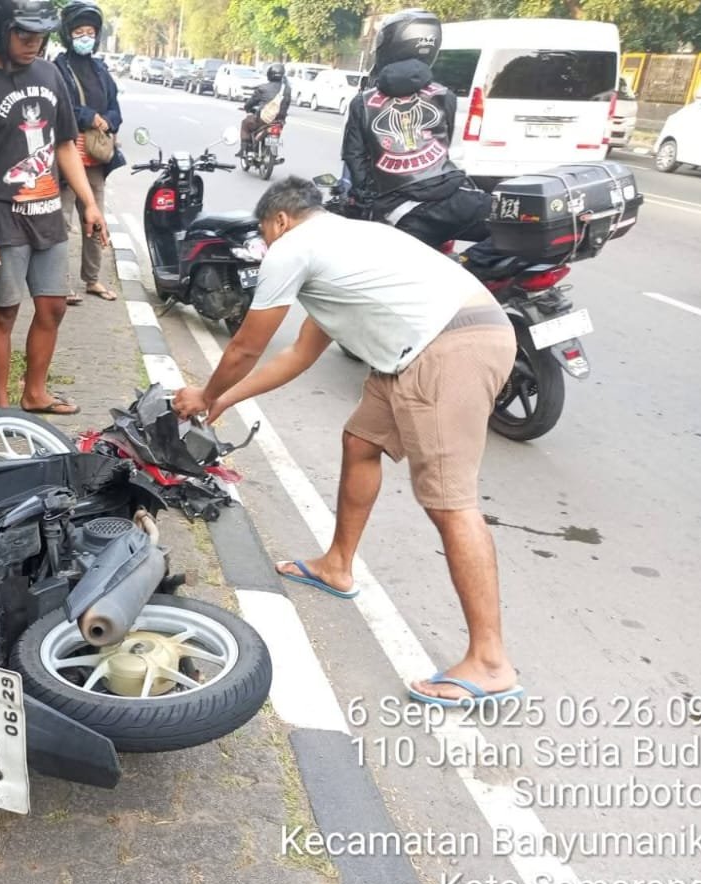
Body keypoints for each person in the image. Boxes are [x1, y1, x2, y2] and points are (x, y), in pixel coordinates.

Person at [172, 177, 522, 707]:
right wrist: (223, 401)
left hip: (448, 348)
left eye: (267, 237)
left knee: (451, 503)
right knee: (360, 441)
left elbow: (247, 345)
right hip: (427, 344)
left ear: (280, 221)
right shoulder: (346, 243)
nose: (267, 249)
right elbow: (298, 356)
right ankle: (337, 564)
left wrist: (204, 392)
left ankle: (491, 662)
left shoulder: (293, 246)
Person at [0, 0, 109, 417]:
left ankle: (35, 393)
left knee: (52, 307)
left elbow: (65, 145)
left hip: (49, 213)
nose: (34, 42)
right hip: (2, 218)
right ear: (0, 30)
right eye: (24, 33)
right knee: (5, 312)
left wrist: (89, 204)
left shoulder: (50, 73)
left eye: (40, 34)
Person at [340, 8, 490, 248]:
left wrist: (363, 201)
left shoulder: (363, 101)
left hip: (399, 210)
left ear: (389, 44)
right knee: (512, 224)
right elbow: (444, 146)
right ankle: (474, 269)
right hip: (453, 196)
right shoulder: (445, 95)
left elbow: (354, 158)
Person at [52, 0, 124, 305]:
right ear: (68, 35)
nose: (86, 37)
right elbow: (59, 105)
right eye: (79, 32)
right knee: (62, 223)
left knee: (95, 220)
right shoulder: (58, 68)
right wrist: (87, 116)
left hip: (95, 160)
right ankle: (60, 284)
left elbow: (116, 109)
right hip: (68, 158)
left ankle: (92, 279)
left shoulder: (100, 69)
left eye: (90, 32)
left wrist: (106, 119)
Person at [240, 63, 290, 159]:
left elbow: (251, 102)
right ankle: (271, 153)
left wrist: (247, 107)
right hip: (279, 121)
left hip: (263, 120)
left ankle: (244, 150)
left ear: (269, 74)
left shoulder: (263, 88)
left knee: (245, 123)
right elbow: (287, 104)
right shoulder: (287, 89)